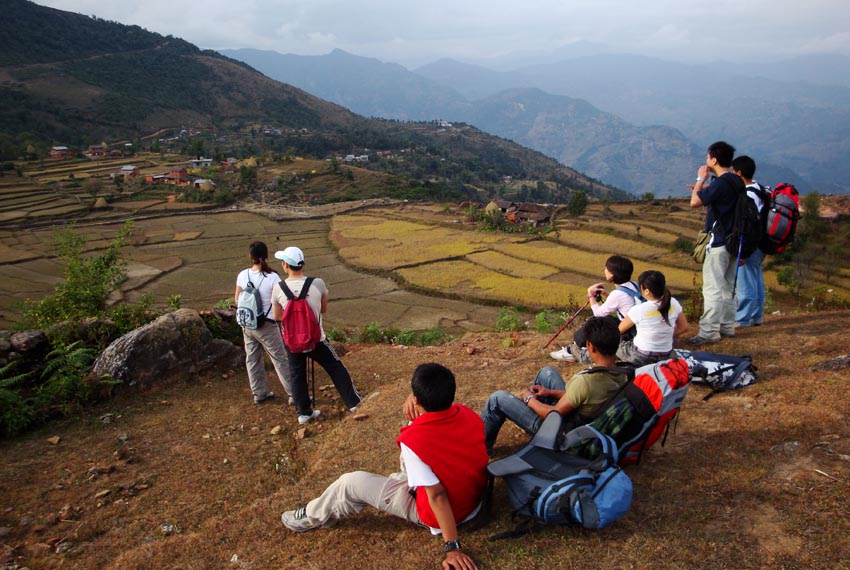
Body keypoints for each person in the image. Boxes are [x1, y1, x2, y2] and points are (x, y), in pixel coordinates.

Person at [281, 363, 487, 570]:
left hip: (443, 513)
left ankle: (313, 514)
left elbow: (437, 496)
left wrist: (453, 547)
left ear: (416, 400)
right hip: (472, 501)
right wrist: (414, 399)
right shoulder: (468, 415)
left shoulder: (415, 440)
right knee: (412, 432)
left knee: (350, 483)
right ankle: (404, 481)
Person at [481, 317, 629, 456]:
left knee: (497, 399)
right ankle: (527, 416)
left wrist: (529, 400)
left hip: (560, 432)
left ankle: (481, 448)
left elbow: (553, 414)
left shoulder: (585, 381)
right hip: (581, 418)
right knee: (547, 372)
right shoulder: (622, 374)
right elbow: (584, 397)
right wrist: (549, 392)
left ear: (591, 346)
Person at [271, 246, 362, 424]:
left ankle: (304, 413)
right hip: (316, 339)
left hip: (292, 341)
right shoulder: (318, 283)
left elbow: (277, 316)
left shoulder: (278, 288)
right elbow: (323, 309)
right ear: (301, 264)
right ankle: (353, 403)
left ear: (285, 265)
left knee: (296, 374)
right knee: (335, 367)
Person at [688, 141, 744, 345]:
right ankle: (727, 325)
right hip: (734, 241)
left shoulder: (720, 183)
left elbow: (694, 202)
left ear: (714, 160)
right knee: (728, 287)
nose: (706, 160)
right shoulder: (736, 181)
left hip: (718, 241)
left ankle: (709, 331)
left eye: (707, 157)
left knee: (712, 288)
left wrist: (700, 179)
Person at [550, 255, 641, 362]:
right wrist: (608, 295)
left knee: (595, 321)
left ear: (612, 274)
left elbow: (598, 314)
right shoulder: (634, 285)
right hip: (636, 328)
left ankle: (572, 349)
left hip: (629, 333)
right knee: (609, 319)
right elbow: (624, 303)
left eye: (606, 269)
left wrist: (590, 295)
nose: (605, 271)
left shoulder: (617, 294)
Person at [234, 241, 293, 405]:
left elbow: (237, 300)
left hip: (247, 324)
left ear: (250, 256)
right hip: (267, 325)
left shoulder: (242, 275)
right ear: (266, 256)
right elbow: (283, 301)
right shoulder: (272, 278)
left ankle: (259, 393)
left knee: (252, 359)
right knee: (280, 359)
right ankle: (294, 394)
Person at [616, 270, 689, 367]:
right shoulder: (673, 303)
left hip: (641, 356)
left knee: (616, 343)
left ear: (647, 291)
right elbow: (684, 327)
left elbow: (618, 331)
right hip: (666, 355)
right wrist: (663, 336)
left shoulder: (639, 310)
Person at [731, 155, 767, 328]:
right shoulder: (760, 189)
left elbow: (746, 224)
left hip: (750, 244)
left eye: (733, 171)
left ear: (739, 173)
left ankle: (742, 318)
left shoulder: (748, 195)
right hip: (761, 243)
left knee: (745, 282)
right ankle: (756, 316)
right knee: (756, 278)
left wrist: (742, 250)